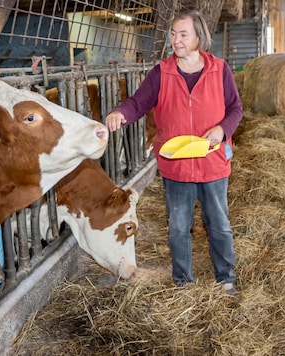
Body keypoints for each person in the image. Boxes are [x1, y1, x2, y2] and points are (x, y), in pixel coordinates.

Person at [104, 9, 243, 294]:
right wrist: (120, 113)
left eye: (183, 34)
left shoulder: (220, 69)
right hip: (176, 166)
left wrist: (222, 130)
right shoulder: (161, 72)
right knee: (179, 227)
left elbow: (235, 109)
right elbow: (138, 102)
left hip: (212, 162)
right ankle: (183, 283)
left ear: (198, 37)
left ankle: (226, 278)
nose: (175, 41)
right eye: (173, 34)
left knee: (218, 224)